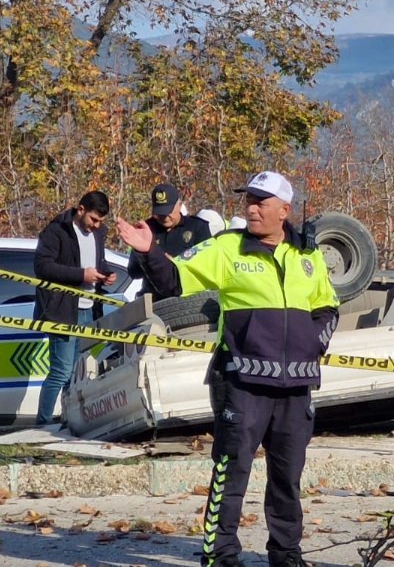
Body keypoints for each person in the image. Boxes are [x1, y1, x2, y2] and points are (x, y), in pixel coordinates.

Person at [116, 171, 339, 567]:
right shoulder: (227, 248)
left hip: (296, 386)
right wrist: (150, 252)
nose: (251, 209)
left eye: (261, 202)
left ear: (284, 210)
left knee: (287, 478)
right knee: (230, 473)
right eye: (248, 201)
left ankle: (286, 554)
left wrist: (313, 343)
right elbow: (173, 281)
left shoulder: (308, 254)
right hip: (241, 380)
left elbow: (328, 307)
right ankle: (220, 555)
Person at [33, 191, 118, 426]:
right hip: (62, 310)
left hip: (90, 310)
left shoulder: (98, 233)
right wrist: (81, 275)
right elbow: (42, 267)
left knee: (78, 373)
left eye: (101, 221)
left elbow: (97, 263)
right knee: (61, 371)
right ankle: (43, 423)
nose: (96, 225)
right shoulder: (56, 230)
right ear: (80, 210)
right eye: (93, 219)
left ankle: (68, 420)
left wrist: (105, 274)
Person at [127, 183, 213, 300]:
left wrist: (177, 264)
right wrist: (152, 259)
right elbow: (133, 272)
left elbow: (209, 268)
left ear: (179, 205)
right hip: (153, 299)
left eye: (168, 211)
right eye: (160, 213)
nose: (165, 217)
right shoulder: (147, 229)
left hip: (188, 299)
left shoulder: (197, 227)